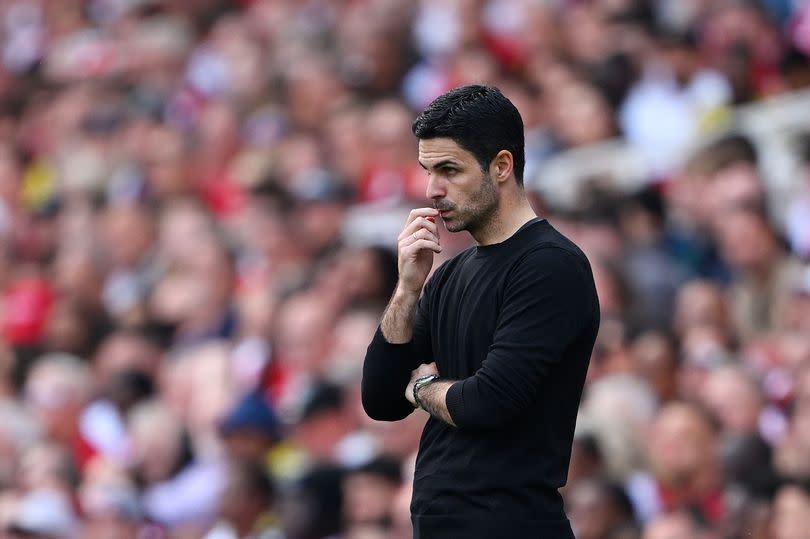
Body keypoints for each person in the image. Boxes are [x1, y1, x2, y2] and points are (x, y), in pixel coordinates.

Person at [361, 85, 600, 538]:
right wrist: (407, 289)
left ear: (502, 166)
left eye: (449, 169)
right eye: (428, 170)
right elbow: (379, 398)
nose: (432, 189)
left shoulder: (550, 264)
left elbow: (488, 402)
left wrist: (420, 389)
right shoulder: (451, 274)